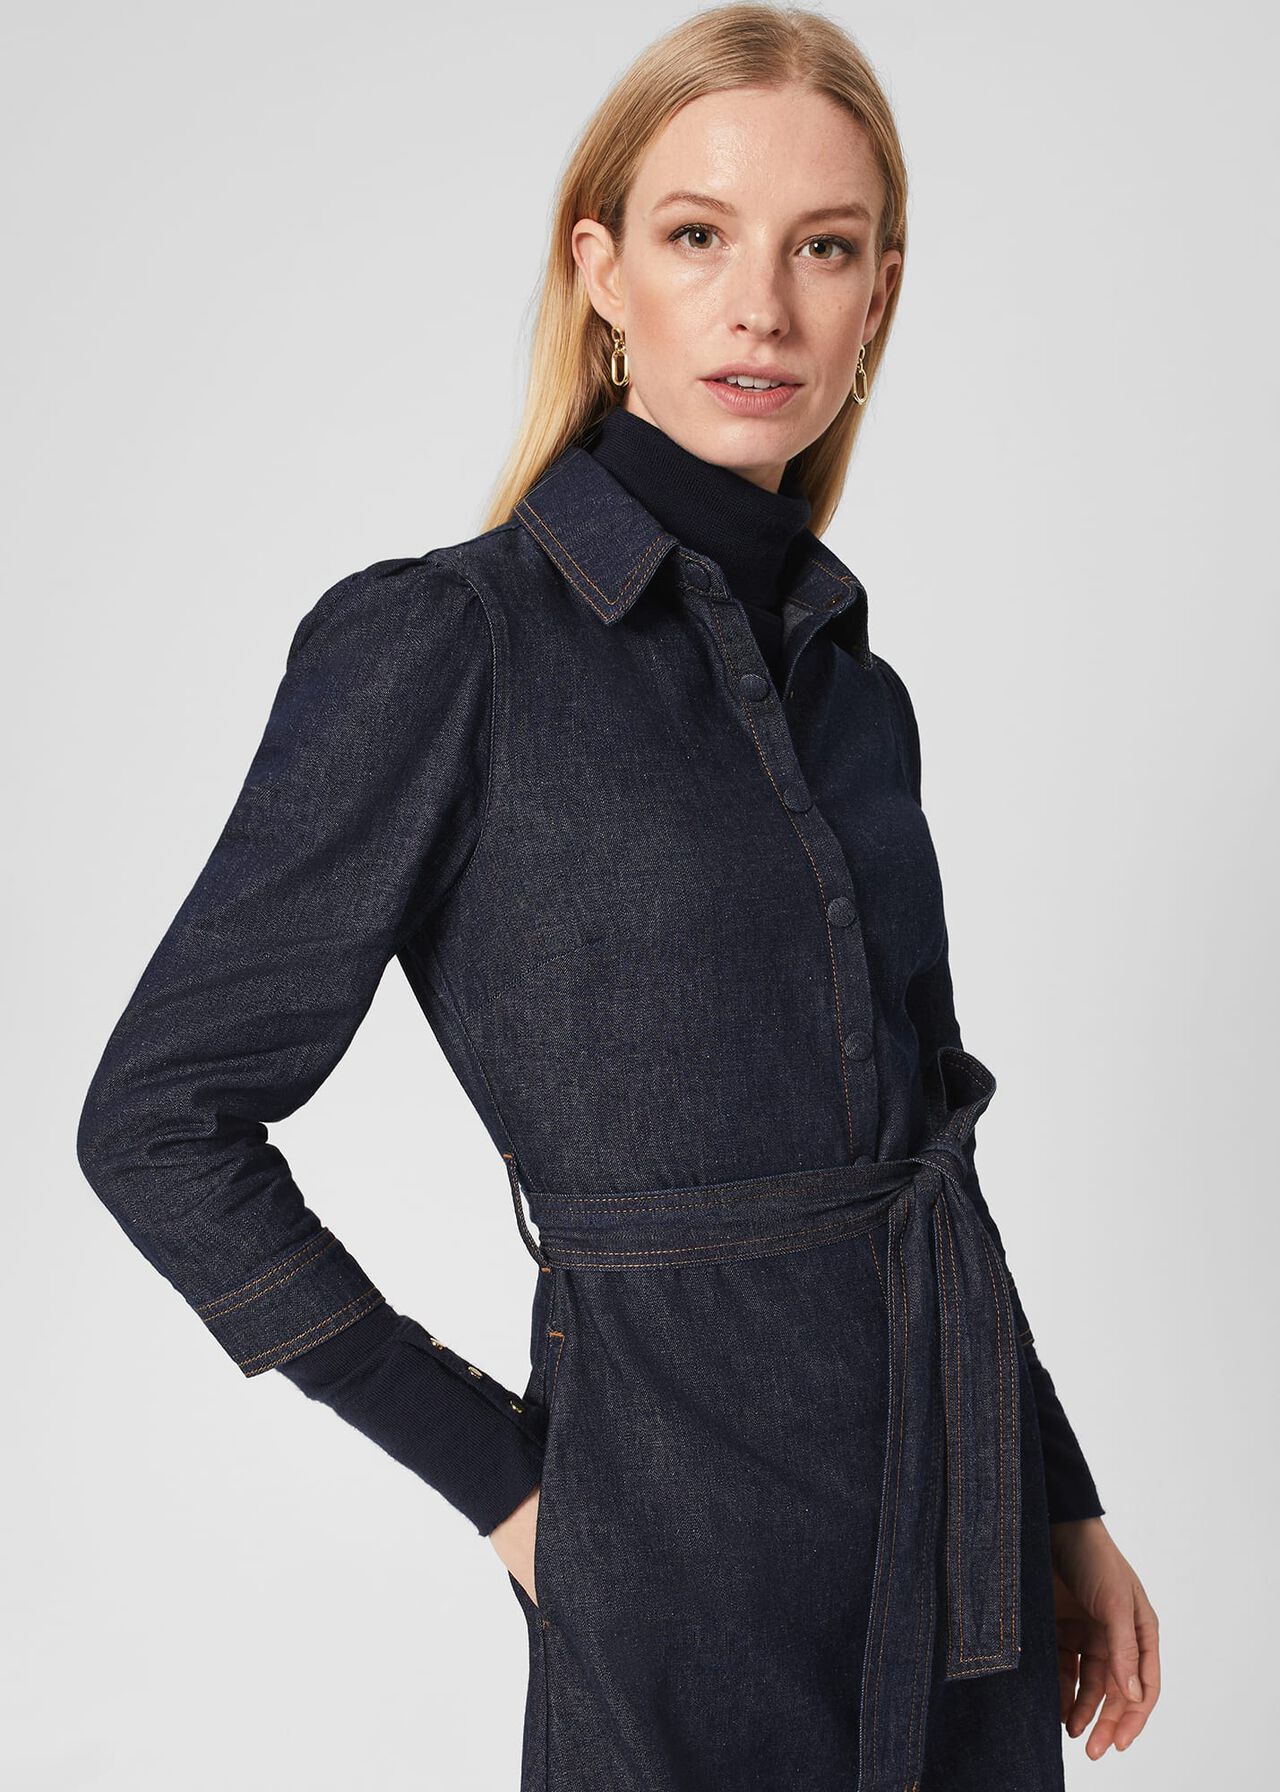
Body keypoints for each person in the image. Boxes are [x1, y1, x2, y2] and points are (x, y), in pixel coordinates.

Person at [75, 6, 1160, 1787]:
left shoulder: (857, 692)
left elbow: (930, 1143)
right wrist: (504, 1482)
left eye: (825, 249)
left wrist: (1058, 1500)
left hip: (960, 1553)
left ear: (880, 295)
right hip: (673, 1559)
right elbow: (157, 1122)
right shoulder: (449, 644)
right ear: (600, 271)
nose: (763, 307)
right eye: (698, 234)